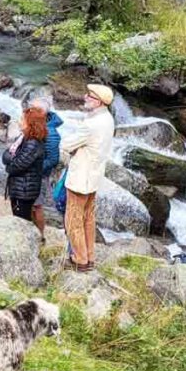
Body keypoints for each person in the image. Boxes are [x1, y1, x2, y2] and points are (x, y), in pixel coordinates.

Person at [60, 84, 116, 273]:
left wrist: (74, 146)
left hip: (80, 177)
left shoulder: (91, 124)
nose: (85, 97)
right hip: (93, 176)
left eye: (89, 96)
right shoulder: (108, 119)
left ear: (98, 101)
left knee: (73, 219)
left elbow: (66, 144)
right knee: (88, 218)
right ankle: (89, 256)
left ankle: (80, 259)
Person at [2, 107, 47, 222]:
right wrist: (10, 159)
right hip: (21, 189)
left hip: (24, 192)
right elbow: (7, 155)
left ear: (30, 123)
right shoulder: (23, 138)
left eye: (23, 119)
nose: (20, 122)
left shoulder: (33, 143)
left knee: (22, 221)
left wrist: (8, 164)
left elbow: (17, 165)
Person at [30, 99, 64, 239]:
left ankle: (41, 236)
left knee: (37, 206)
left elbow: (53, 160)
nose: (29, 111)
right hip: (32, 172)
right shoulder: (36, 124)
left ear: (42, 112)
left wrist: (34, 168)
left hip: (39, 175)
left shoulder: (51, 132)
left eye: (32, 109)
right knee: (30, 205)